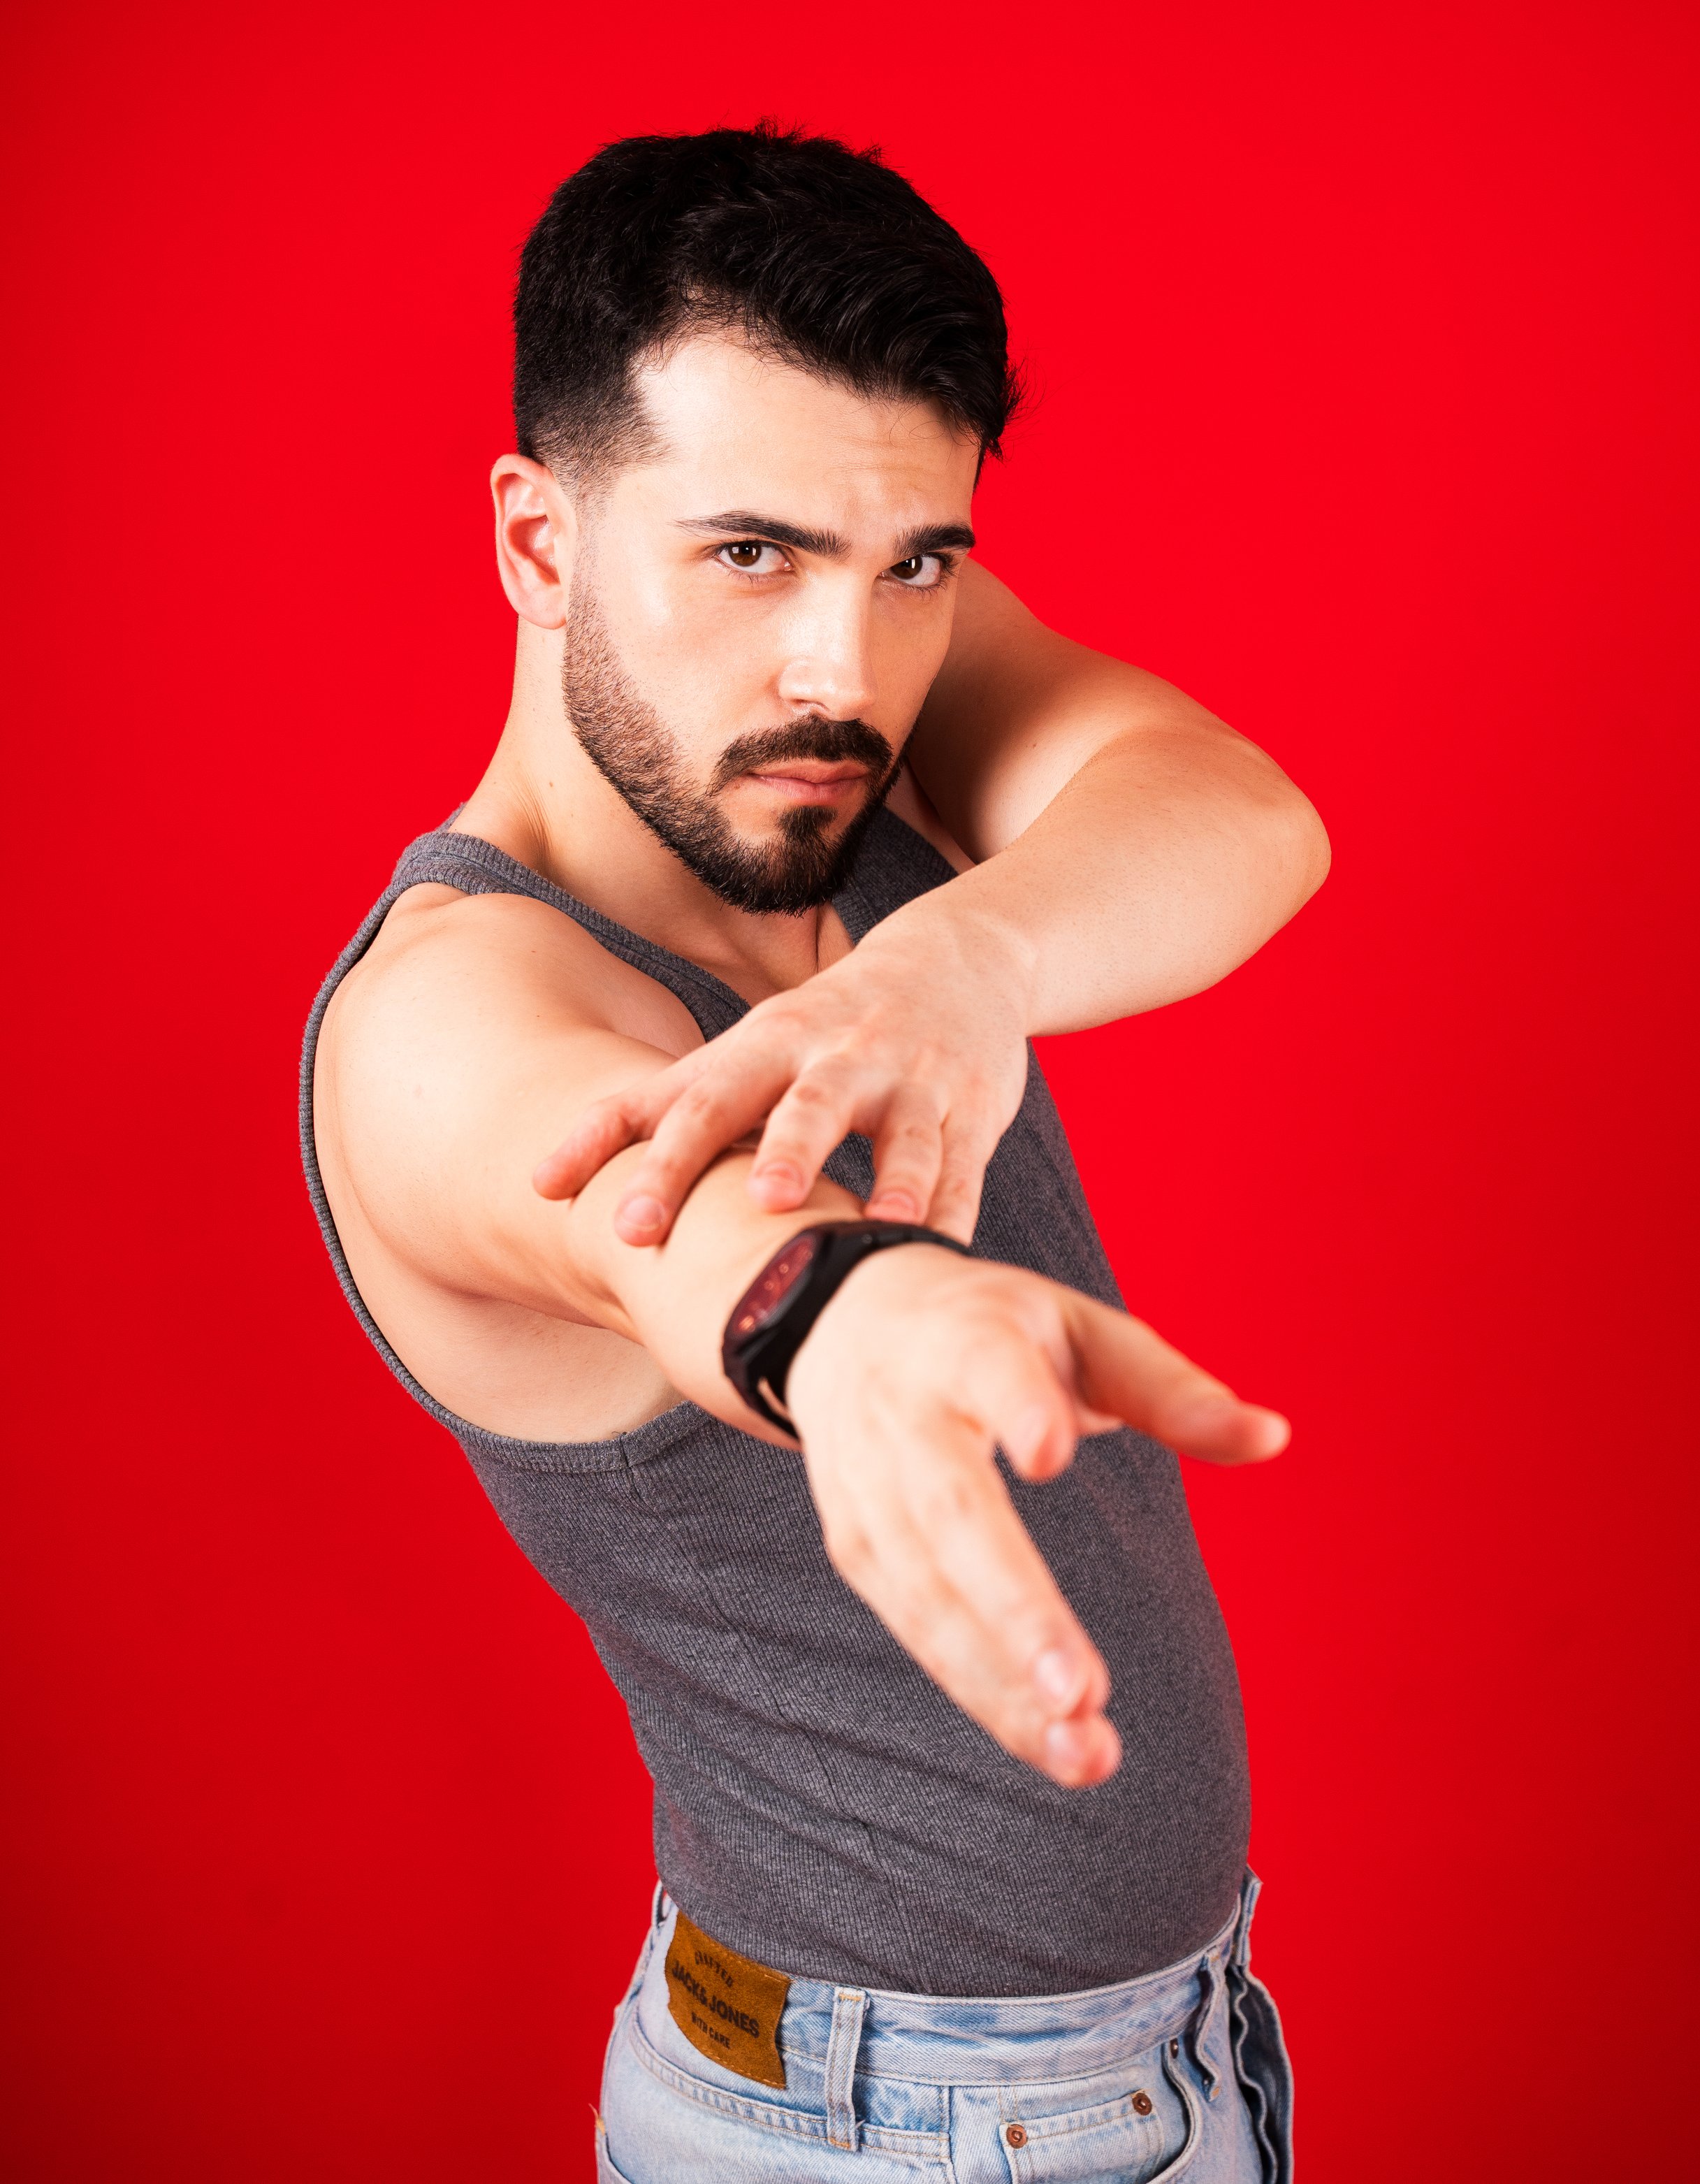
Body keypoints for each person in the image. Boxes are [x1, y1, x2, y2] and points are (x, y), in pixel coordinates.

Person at [302, 124, 1327, 2183]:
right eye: (750, 556)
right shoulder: (444, 1016)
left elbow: (1246, 822)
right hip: (881, 2129)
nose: (844, 674)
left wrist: (958, 958)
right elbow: (678, 1237)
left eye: (917, 564)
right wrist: (862, 1331)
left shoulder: (833, 729)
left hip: (1171, 2053)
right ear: (538, 544)